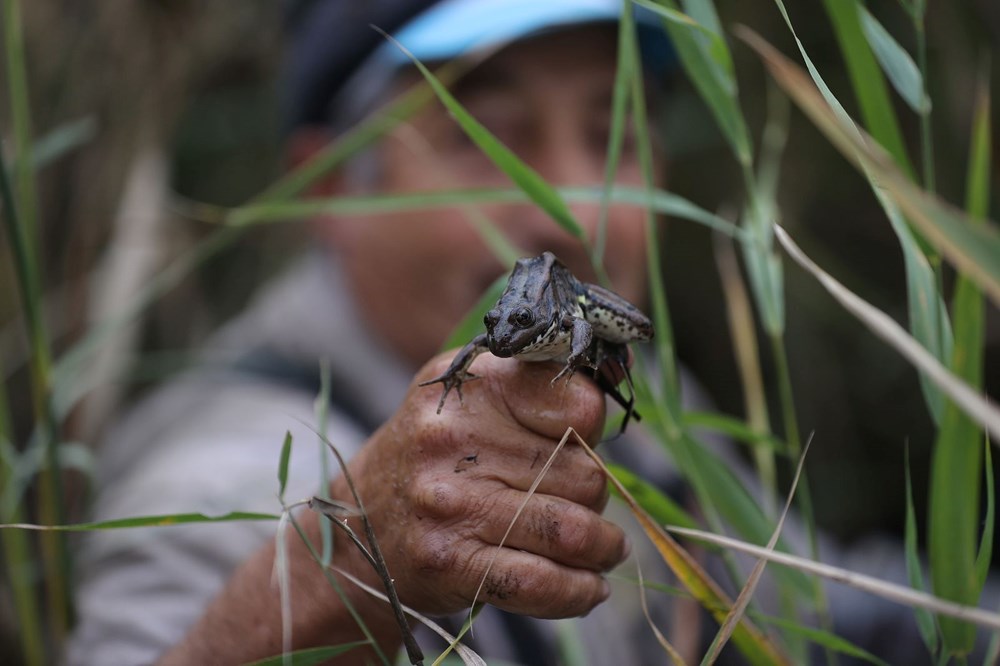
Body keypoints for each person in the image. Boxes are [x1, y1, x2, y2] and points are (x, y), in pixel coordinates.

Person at [67, 1, 936, 664]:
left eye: (612, 130)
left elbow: (808, 603)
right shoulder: (237, 467)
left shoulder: (629, 380)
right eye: (488, 136)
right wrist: (343, 564)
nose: (568, 203)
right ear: (329, 190)